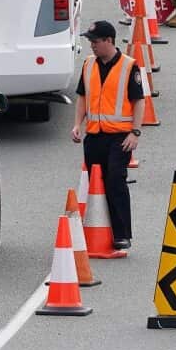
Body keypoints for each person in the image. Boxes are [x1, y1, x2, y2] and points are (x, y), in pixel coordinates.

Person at [70, 20, 145, 249]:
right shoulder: (88, 65)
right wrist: (77, 125)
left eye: (95, 41)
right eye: (90, 41)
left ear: (109, 41)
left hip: (120, 137)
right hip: (94, 135)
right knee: (96, 183)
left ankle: (122, 234)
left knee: (115, 180)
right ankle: (98, 229)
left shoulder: (128, 66)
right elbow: (82, 97)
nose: (91, 45)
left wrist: (135, 132)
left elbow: (139, 100)